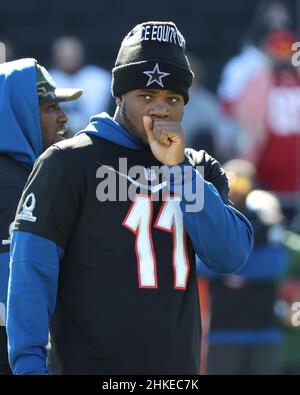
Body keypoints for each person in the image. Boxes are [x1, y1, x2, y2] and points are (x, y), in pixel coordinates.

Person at [7, 22, 253, 375]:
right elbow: (31, 270)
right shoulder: (70, 161)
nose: (159, 110)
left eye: (172, 99)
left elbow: (230, 255)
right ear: (119, 96)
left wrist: (179, 171)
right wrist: (29, 367)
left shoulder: (197, 168)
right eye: (145, 97)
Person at [0, 58, 82, 375]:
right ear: (16, 113)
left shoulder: (28, 175)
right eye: (49, 108)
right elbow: (15, 302)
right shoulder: (13, 188)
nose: (63, 116)